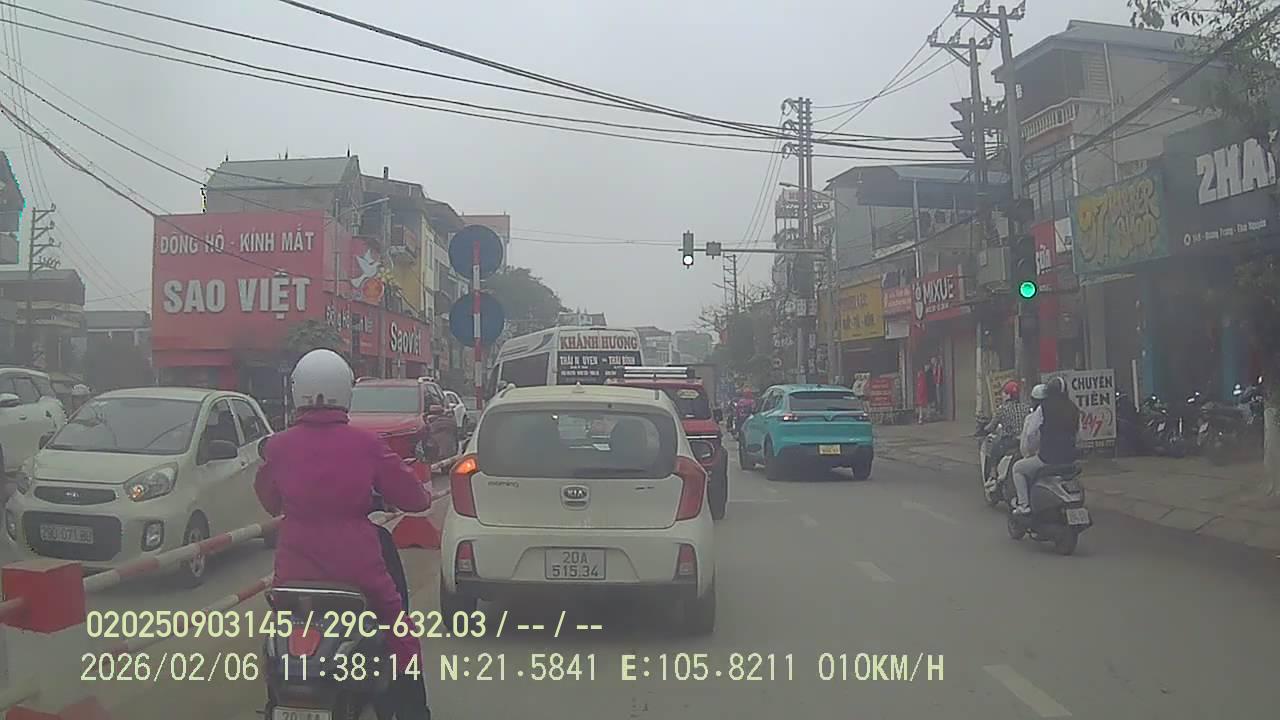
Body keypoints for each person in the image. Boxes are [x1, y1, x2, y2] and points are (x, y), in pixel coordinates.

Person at [255, 349, 432, 719]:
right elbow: (415, 499)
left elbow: (269, 501)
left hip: (294, 572)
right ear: (345, 391)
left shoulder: (279, 446)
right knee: (400, 634)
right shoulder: (365, 444)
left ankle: (274, 701)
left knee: (281, 635)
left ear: (297, 391)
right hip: (359, 569)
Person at [1010, 377, 1079, 515]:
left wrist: (1030, 451)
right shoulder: (1073, 408)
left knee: (1017, 468)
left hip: (1047, 458)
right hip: (1070, 459)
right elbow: (1078, 434)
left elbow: (1031, 433)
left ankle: (1023, 505)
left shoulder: (1044, 408)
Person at [983, 381, 1030, 486]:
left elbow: (991, 427)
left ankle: (992, 475)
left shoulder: (1002, 409)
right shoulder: (1026, 408)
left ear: (1008, 395)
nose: (1002, 395)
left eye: (1004, 393)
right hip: (1024, 441)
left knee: (993, 450)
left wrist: (984, 429)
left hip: (1008, 442)